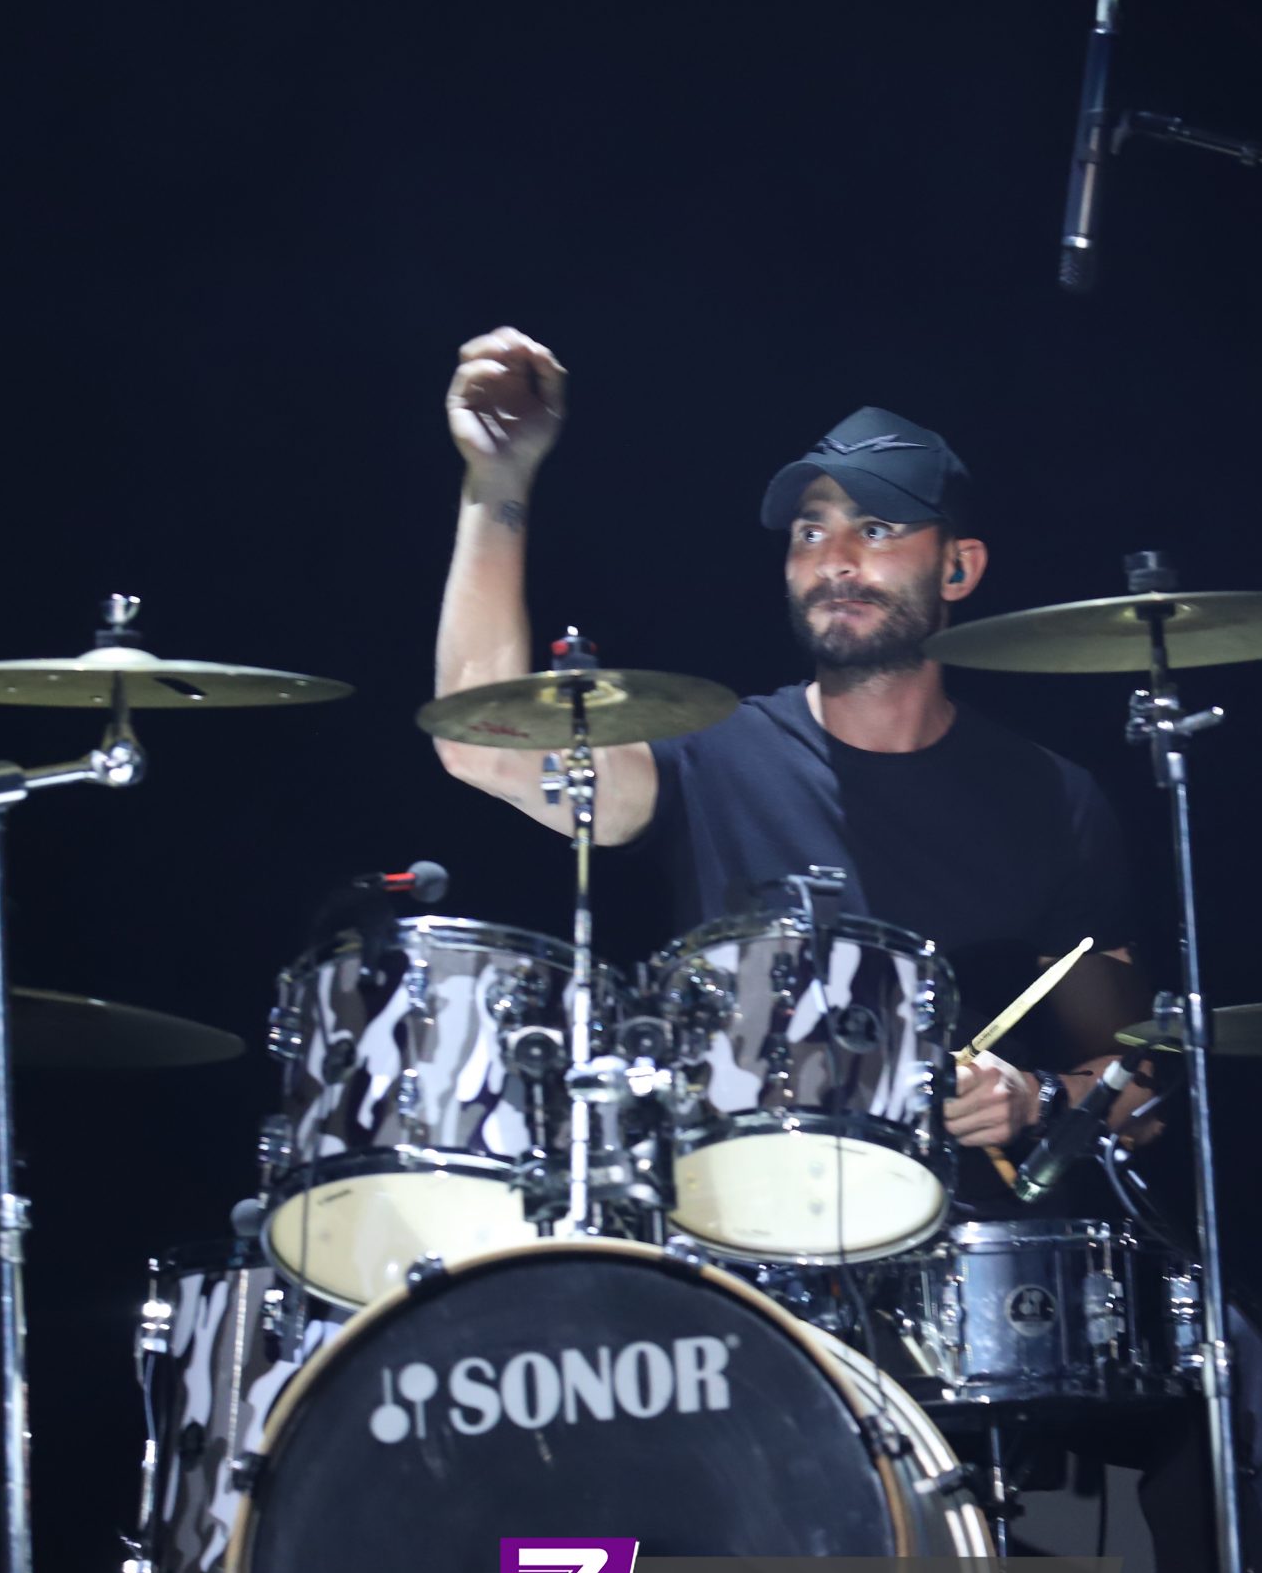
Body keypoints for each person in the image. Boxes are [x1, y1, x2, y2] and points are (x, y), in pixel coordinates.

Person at [429, 325, 1151, 1177]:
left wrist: (1036, 1096)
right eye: (810, 533)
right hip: (739, 1219)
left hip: (960, 1238)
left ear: (958, 569)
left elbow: (1137, 1087)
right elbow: (483, 749)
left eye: (876, 528)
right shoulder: (715, 756)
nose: (834, 560)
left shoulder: (1051, 798)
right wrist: (498, 480)